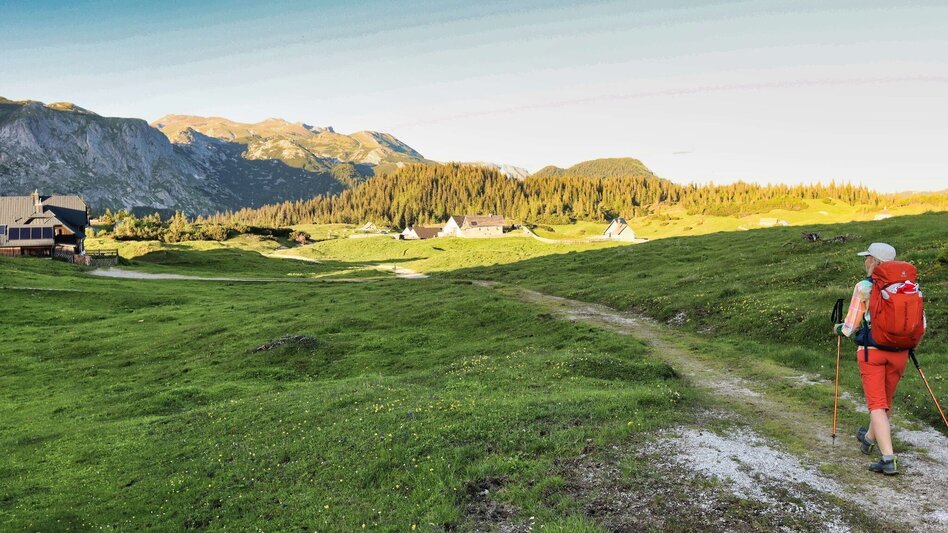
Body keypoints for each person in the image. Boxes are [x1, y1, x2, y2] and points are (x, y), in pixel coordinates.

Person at [833, 242, 907, 475]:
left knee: (876, 404)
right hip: (901, 351)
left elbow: (852, 324)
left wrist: (839, 330)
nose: (865, 261)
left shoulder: (864, 286)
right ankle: (868, 438)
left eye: (867, 258)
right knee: (884, 401)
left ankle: (888, 459)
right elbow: (919, 324)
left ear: (875, 262)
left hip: (871, 352)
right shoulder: (908, 287)